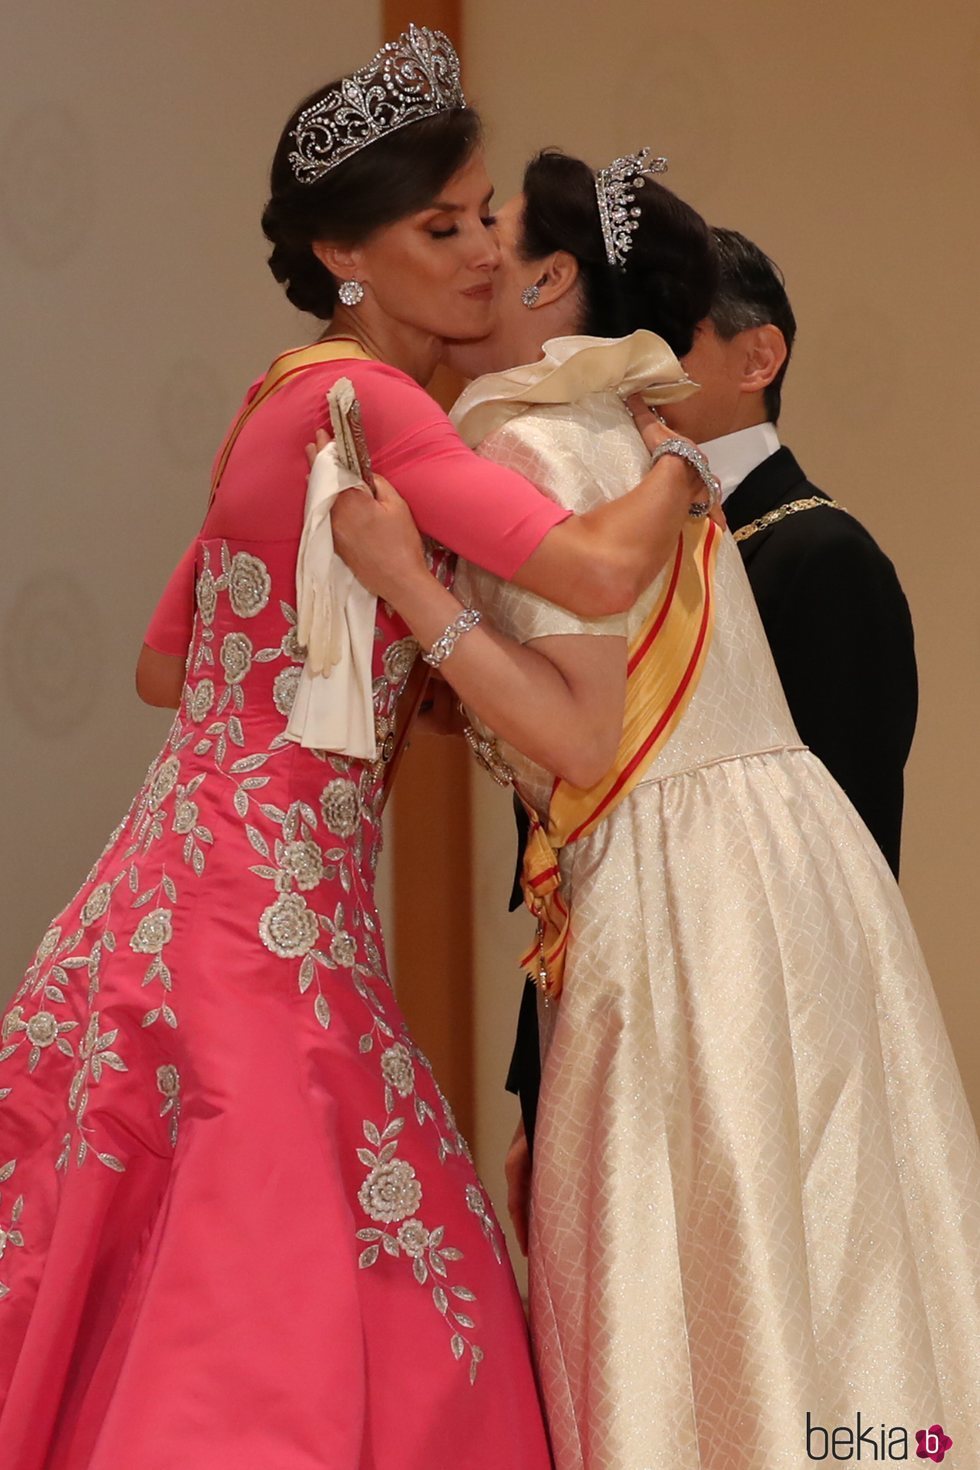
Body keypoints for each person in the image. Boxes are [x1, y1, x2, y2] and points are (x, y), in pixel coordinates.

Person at [0, 30, 714, 1469]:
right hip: (264, 922)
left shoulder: (275, 394)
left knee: (290, 1267)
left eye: (483, 213)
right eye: (437, 228)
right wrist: (696, 453)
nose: (479, 252)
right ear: (345, 251)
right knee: (309, 1284)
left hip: (178, 889)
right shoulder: (372, 404)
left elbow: (164, 662)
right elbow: (587, 574)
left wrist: (376, 661)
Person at [332, 147, 980, 1470]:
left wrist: (413, 596)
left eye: (489, 231)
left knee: (692, 1278)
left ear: (553, 275)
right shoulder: (632, 433)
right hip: (792, 880)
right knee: (828, 1264)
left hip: (679, 895)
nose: (466, 254)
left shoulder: (530, 436)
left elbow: (582, 726)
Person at [662, 226, 917, 878]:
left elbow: (847, 840)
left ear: (757, 359)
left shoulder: (824, 555)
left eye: (665, 337)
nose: (632, 369)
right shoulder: (622, 538)